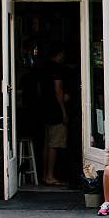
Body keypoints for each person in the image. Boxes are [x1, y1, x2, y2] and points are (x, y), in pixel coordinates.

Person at [41, 44, 68, 186]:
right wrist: (63, 111)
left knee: (47, 143)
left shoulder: (44, 67)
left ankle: (45, 174)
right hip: (55, 110)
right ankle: (50, 176)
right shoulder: (57, 69)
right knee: (54, 144)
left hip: (45, 109)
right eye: (62, 54)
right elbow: (58, 91)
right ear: (58, 54)